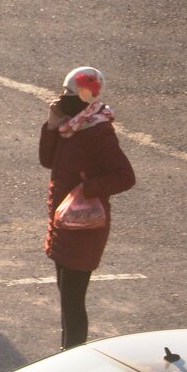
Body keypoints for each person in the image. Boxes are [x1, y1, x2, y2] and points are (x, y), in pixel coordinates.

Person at [40, 67, 136, 349]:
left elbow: (125, 176)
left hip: (84, 227)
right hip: (64, 223)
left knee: (72, 301)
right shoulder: (70, 127)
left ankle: (71, 356)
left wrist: (87, 187)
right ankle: (66, 353)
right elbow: (47, 161)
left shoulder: (98, 131)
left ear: (86, 97)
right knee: (66, 299)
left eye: (72, 94)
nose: (65, 99)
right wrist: (51, 126)